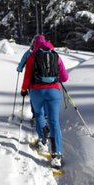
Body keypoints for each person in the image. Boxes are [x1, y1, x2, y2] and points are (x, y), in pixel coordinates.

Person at [20, 34, 68, 169]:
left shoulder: (32, 57)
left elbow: (27, 77)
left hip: (36, 92)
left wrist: (24, 90)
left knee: (39, 115)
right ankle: (57, 155)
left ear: (34, 44)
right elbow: (64, 78)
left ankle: (42, 142)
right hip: (53, 92)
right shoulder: (55, 55)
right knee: (54, 121)